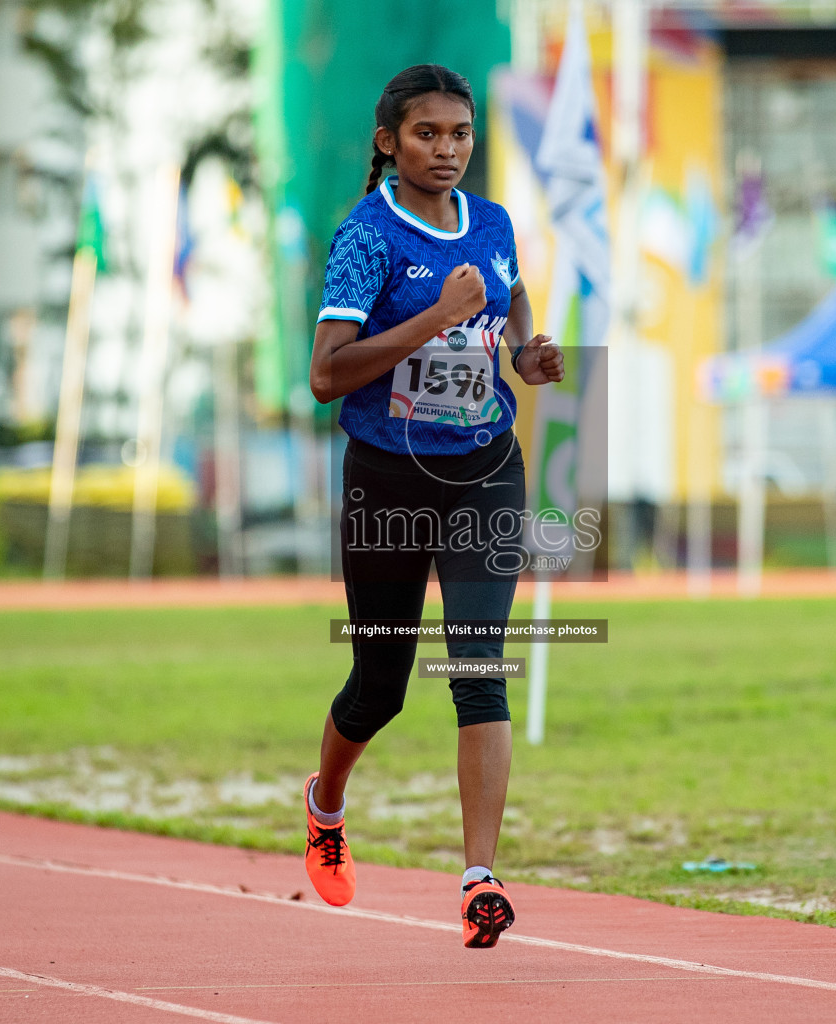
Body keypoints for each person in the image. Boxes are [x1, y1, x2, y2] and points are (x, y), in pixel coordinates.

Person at [304, 64, 563, 949]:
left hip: (485, 469)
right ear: (390, 141)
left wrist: (527, 353)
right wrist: (433, 317)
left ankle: (479, 877)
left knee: (478, 666)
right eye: (427, 134)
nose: (447, 149)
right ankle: (326, 803)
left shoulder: (490, 222)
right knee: (380, 689)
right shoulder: (367, 238)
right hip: (388, 478)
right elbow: (325, 376)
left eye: (460, 134)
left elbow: (508, 299)